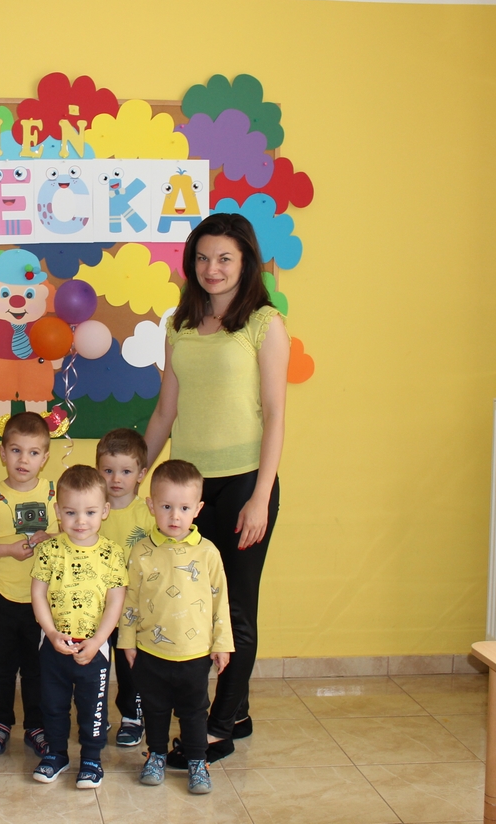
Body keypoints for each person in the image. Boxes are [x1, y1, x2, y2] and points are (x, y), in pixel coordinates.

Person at [144, 212, 289, 762]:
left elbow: (275, 415)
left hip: (246, 483)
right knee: (197, 604)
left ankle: (218, 727)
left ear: (245, 262)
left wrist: (260, 497)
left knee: (236, 610)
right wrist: (131, 477)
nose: (213, 268)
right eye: (203, 258)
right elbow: (165, 412)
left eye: (225, 258)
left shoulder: (264, 324)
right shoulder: (179, 325)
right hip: (188, 490)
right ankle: (238, 710)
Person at [119, 459, 232, 795]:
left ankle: (197, 761)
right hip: (151, 650)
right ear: (151, 505)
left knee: (194, 711)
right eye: (166, 506)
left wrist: (222, 643)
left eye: (184, 508)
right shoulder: (141, 552)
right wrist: (127, 640)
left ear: (198, 509)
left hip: (194, 652)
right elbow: (130, 600)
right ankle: (156, 755)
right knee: (155, 708)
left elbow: (221, 601)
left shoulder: (208, 553)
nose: (175, 516)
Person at [29, 465, 127, 789]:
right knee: (53, 705)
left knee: (92, 708)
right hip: (54, 646)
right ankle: (56, 754)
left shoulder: (112, 554)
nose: (80, 521)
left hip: (94, 649)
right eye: (71, 512)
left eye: (90, 512)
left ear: (105, 511)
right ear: (58, 511)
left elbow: (115, 601)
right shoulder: (49, 551)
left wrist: (98, 640)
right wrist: (51, 632)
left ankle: (91, 759)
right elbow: (38, 594)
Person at [0, 412, 58, 758]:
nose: (24, 460)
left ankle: (36, 725)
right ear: (3, 453)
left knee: (37, 669)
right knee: (1, 668)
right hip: (1, 596)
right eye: (16, 450)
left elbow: (75, 535)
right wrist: (8, 550)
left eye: (33, 453)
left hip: (42, 600)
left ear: (45, 457)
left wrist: (51, 538)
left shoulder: (54, 493)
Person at [95, 428, 157, 748]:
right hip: (96, 607)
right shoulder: (93, 510)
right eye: (108, 471)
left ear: (141, 474)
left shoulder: (148, 514)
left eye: (126, 472)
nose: (116, 479)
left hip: (134, 608)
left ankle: (133, 717)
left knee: (131, 665)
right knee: (96, 664)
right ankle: (96, 716)